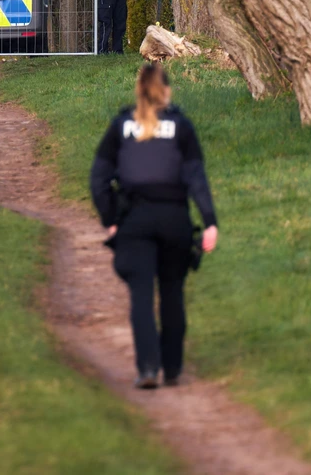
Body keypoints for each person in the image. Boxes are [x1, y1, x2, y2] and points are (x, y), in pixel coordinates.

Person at [89, 63, 219, 389]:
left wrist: (110, 220)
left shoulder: (121, 125)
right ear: (167, 92)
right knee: (172, 292)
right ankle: (172, 368)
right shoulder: (181, 126)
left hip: (135, 221)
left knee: (142, 296)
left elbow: (98, 179)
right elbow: (196, 179)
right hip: (175, 220)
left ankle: (148, 368)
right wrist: (210, 223)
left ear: (139, 91)